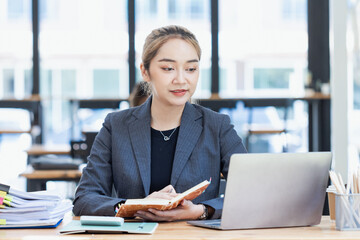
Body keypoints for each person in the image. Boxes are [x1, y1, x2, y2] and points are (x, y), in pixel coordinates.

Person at [73, 25, 247, 221]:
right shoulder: (116, 126)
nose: (181, 80)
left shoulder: (217, 126)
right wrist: (136, 206)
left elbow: (250, 192)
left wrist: (201, 210)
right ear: (145, 72)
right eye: (168, 69)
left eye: (191, 69)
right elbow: (84, 198)